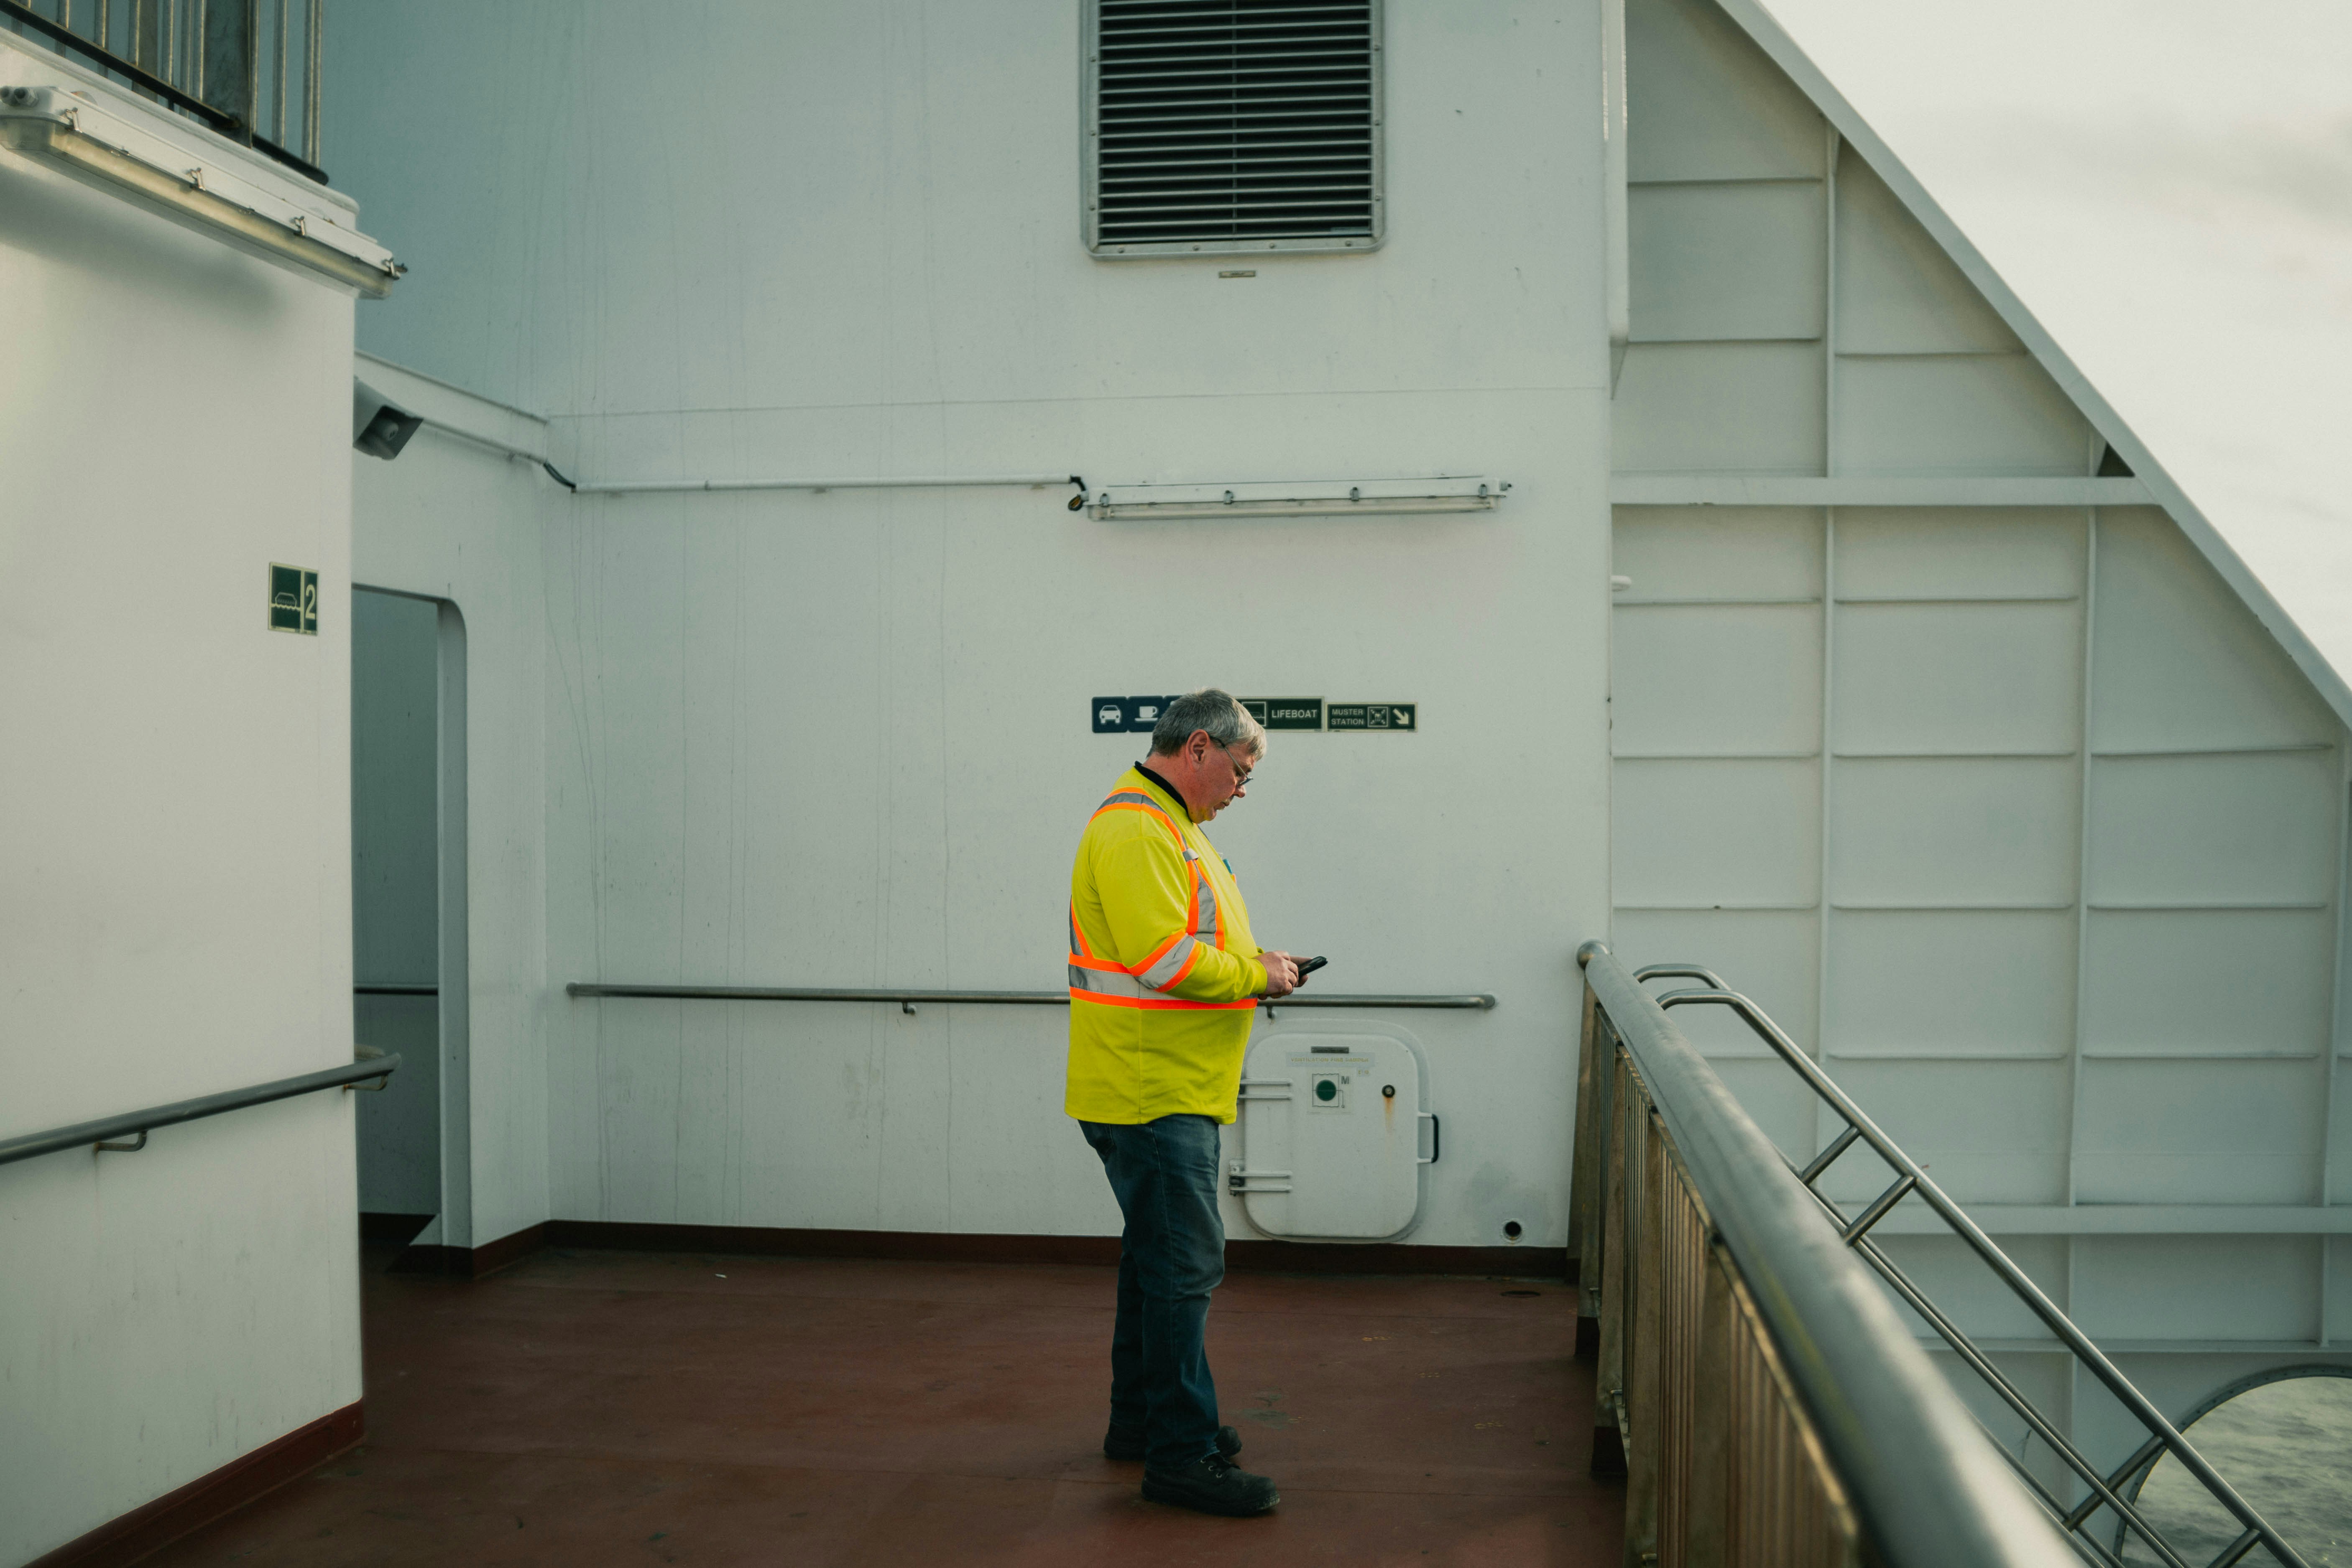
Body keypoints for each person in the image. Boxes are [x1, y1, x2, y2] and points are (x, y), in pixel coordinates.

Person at [1065, 687, 1304, 1518]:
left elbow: (1192, 946)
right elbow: (1164, 961)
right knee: (1183, 1270)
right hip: (1150, 1090)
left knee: (1153, 1264)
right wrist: (1258, 976)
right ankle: (1179, 1454)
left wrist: (1255, 959)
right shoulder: (1139, 828)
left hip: (1159, 1085)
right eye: (1238, 772)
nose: (1240, 790)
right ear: (1196, 748)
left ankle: (1141, 1421)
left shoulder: (1172, 828)